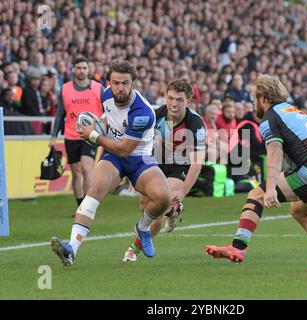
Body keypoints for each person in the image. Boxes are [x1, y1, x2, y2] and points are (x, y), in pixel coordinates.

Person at [205, 74, 307, 273]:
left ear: (263, 98)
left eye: (254, 97)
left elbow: (274, 152)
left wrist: (270, 187)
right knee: (299, 211)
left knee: (257, 194)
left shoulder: (270, 118)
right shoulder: (294, 111)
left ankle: (237, 247)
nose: (254, 102)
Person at [51, 59, 171, 266]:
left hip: (138, 159)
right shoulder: (106, 95)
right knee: (94, 191)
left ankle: (143, 228)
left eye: (125, 83)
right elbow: (109, 117)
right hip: (114, 157)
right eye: (116, 83)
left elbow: (125, 149)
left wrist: (94, 135)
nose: (120, 87)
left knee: (163, 198)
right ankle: (71, 249)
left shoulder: (142, 112)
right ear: (109, 82)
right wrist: (99, 123)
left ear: (133, 83)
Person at [123, 79, 206, 262]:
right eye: (170, 98)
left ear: (188, 102)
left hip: (180, 166)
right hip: (156, 162)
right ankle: (173, 209)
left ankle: (133, 249)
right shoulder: (157, 115)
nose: (173, 104)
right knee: (145, 205)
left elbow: (197, 164)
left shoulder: (196, 124)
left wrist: (183, 192)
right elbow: (140, 143)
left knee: (158, 204)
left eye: (179, 100)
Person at [49, 55, 104, 210]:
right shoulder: (65, 88)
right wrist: (53, 137)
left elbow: (109, 109)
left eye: (84, 68)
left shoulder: (98, 88)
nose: (81, 71)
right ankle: (80, 206)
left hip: (91, 135)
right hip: (71, 135)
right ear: (73, 69)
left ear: (89, 69)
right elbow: (60, 114)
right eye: (78, 68)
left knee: (87, 168)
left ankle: (88, 206)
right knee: (76, 172)